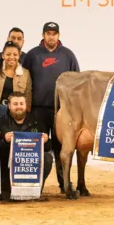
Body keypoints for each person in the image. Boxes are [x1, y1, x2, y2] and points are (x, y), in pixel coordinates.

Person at [22, 21, 80, 190]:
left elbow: (76, 82)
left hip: (62, 110)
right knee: (38, 146)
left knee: (62, 147)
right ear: (43, 35)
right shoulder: (33, 55)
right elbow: (25, 82)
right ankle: (36, 185)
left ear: (58, 36)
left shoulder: (68, 55)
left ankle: (65, 184)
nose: (51, 36)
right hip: (38, 110)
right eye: (48, 33)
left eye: (54, 34)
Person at [0, 92, 52, 201]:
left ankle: (35, 190)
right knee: (8, 197)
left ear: (26, 105)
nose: (19, 107)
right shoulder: (0, 124)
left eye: (21, 103)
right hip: (7, 170)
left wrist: (46, 141)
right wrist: (4, 141)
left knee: (48, 158)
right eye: (15, 104)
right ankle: (6, 189)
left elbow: (48, 148)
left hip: (31, 165)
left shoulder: (37, 122)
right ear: (9, 106)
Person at [0, 41, 31, 122]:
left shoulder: (25, 73)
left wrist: (27, 114)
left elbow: (28, 95)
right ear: (3, 55)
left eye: (15, 54)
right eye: (8, 54)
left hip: (15, 113)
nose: (12, 57)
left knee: (11, 135)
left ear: (19, 55)